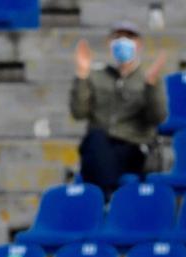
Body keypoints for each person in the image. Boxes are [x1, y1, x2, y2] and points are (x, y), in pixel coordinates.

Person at [69, 21, 168, 199]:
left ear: (139, 44)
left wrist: (151, 86)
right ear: (109, 43)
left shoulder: (147, 78)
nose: (123, 41)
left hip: (134, 146)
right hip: (99, 147)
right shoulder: (97, 76)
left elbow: (158, 117)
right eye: (118, 37)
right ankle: (107, 196)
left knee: (99, 150)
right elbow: (78, 112)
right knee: (96, 140)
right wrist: (82, 76)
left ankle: (104, 199)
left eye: (129, 37)